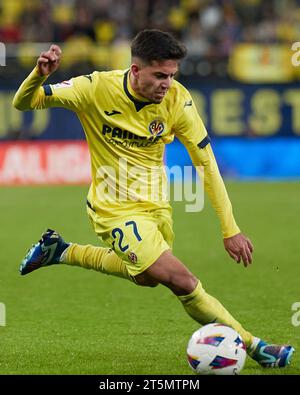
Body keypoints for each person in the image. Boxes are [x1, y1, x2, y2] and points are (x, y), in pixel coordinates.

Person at [13, 29, 294, 369]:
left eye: (172, 75)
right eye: (160, 75)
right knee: (183, 281)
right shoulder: (94, 88)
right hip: (112, 208)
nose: (167, 83)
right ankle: (256, 347)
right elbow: (24, 103)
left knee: (146, 278)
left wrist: (229, 228)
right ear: (135, 70)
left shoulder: (178, 100)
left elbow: (205, 163)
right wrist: (38, 76)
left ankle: (61, 250)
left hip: (157, 207)